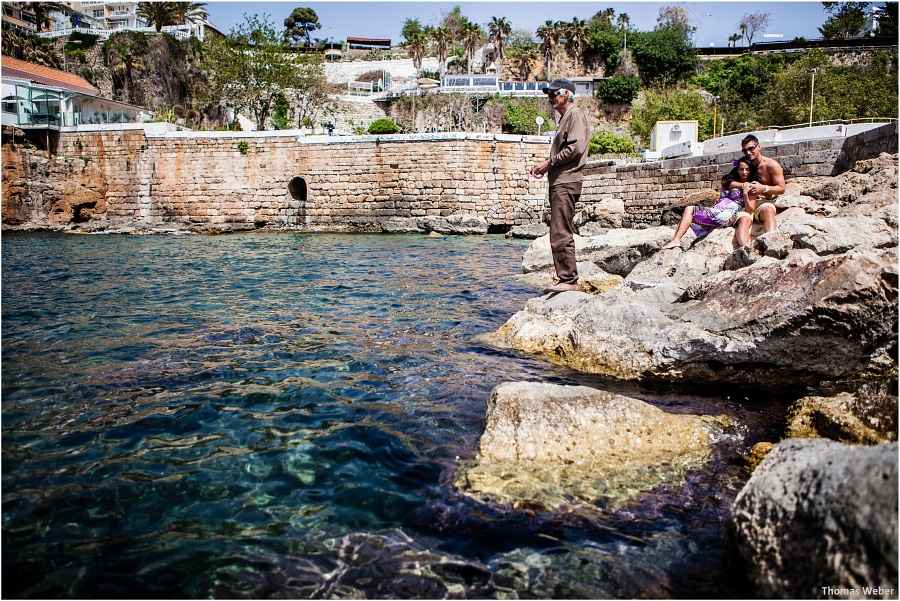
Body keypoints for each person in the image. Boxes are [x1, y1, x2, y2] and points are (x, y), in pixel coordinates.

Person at [530, 78, 590, 293]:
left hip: (566, 180)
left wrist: (549, 163)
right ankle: (566, 278)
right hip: (562, 181)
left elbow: (575, 148)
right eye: (548, 94)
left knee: (560, 231)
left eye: (554, 94)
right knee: (559, 229)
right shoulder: (567, 117)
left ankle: (569, 280)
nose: (550, 98)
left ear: (567, 94)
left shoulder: (574, 115)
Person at [661, 157, 760, 250]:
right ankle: (676, 240)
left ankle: (676, 240)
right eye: (741, 169)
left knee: (689, 210)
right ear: (737, 169)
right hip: (717, 209)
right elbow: (725, 188)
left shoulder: (751, 187)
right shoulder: (732, 182)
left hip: (726, 214)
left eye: (747, 169)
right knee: (685, 217)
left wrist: (746, 194)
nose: (744, 172)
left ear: (751, 171)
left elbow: (750, 209)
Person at [734, 134, 785, 246]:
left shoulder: (771, 165)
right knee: (743, 221)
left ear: (759, 147)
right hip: (745, 202)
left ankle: (771, 245)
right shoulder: (743, 164)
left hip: (763, 202)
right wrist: (744, 186)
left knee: (768, 211)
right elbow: (728, 182)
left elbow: (781, 188)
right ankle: (746, 251)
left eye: (751, 148)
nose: (748, 152)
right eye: (745, 150)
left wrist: (764, 188)